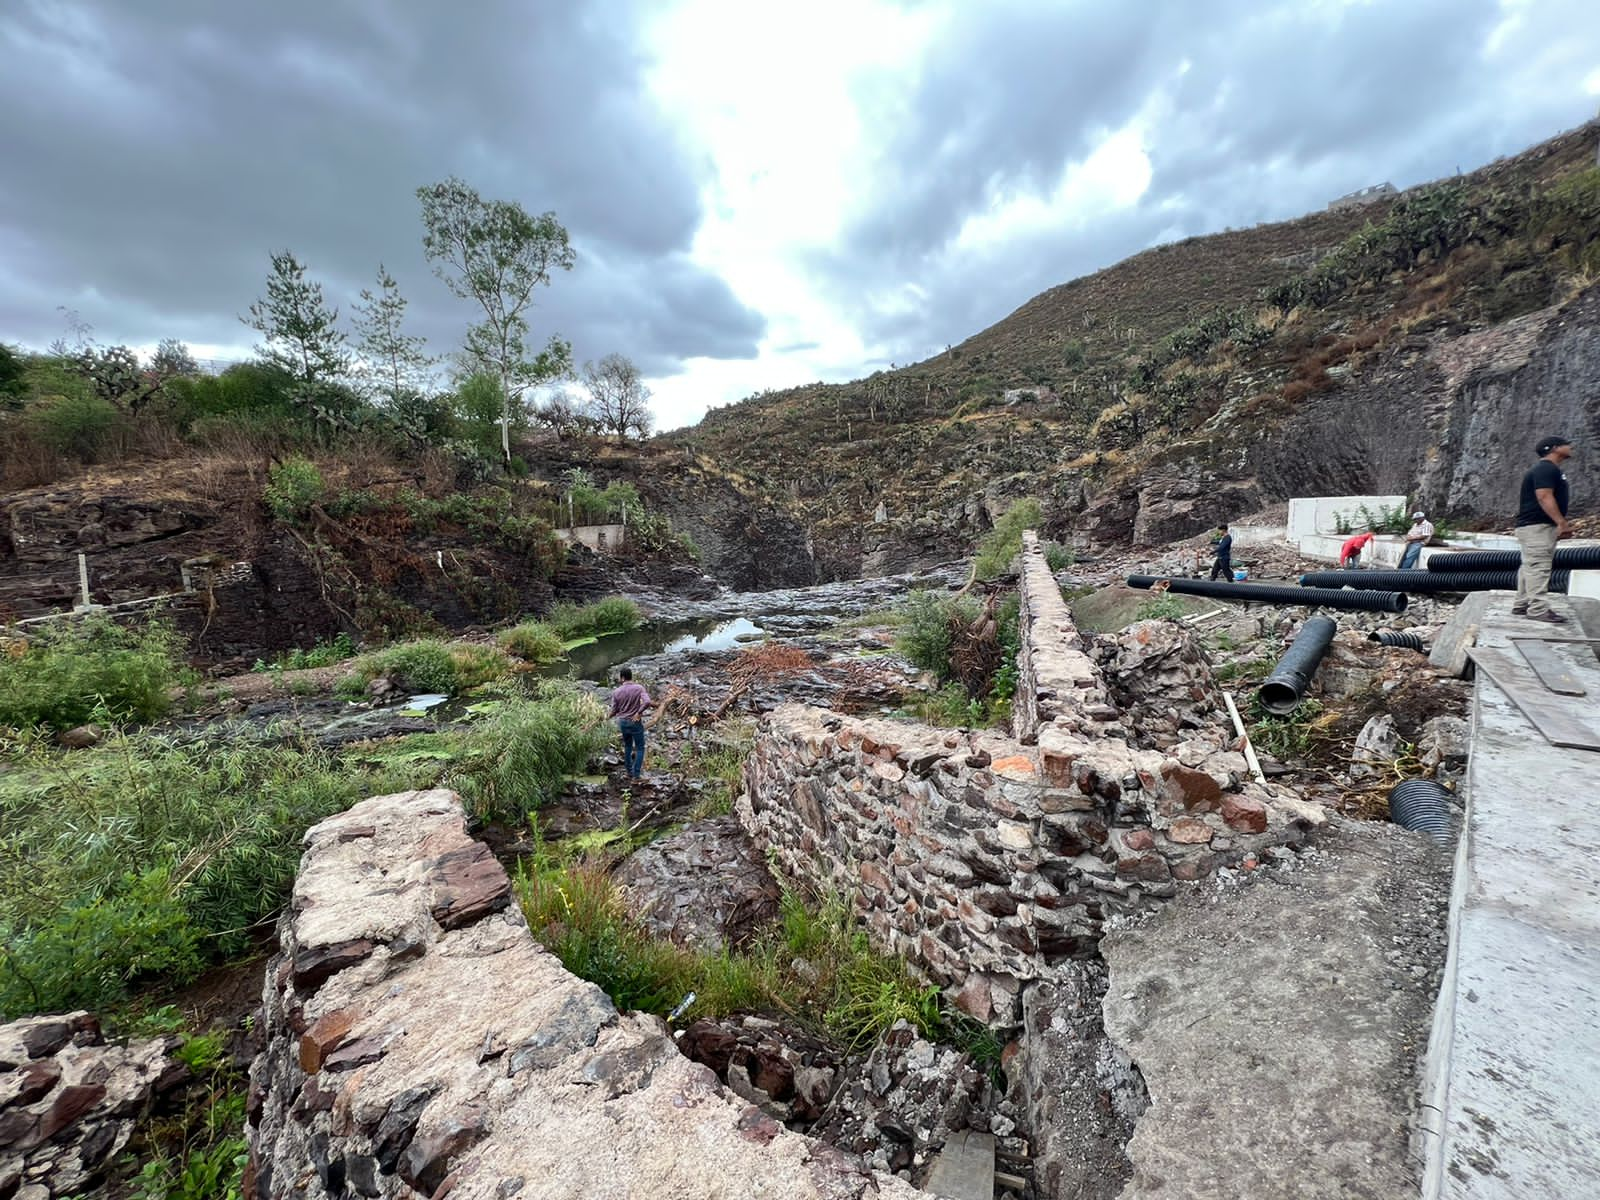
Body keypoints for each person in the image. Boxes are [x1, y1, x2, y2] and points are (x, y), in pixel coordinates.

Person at [1514, 435, 1575, 623]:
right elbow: (1544, 496)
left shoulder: (1549, 469)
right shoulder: (1546, 469)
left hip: (1534, 527)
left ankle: (1522, 604)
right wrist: (1561, 522)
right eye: (1566, 444)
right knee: (1538, 567)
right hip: (1537, 527)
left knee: (1529, 566)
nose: (1570, 447)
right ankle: (1538, 610)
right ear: (1555, 448)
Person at [608, 666, 652, 780]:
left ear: (622, 678)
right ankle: (636, 775)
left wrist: (605, 717)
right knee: (640, 748)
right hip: (634, 721)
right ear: (630, 677)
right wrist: (639, 712)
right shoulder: (639, 688)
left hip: (622, 722)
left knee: (627, 746)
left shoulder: (617, 691)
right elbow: (647, 701)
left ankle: (629, 772)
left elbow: (614, 710)